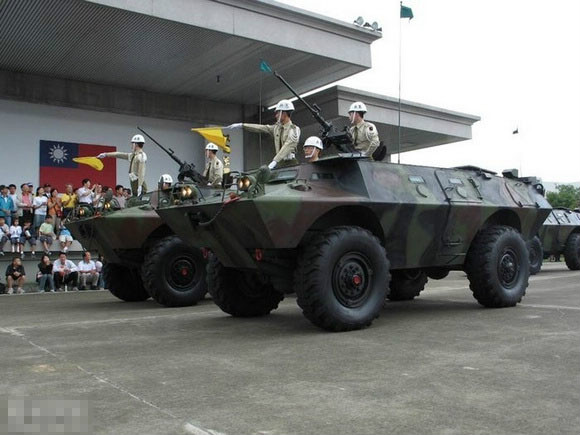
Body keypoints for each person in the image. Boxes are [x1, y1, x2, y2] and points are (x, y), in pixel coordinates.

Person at [227, 99, 300, 169]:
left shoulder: (294, 129)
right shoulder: (276, 128)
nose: (276, 116)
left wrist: (275, 161)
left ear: (284, 114)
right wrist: (242, 125)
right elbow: (261, 128)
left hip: (290, 163)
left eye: (278, 113)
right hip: (279, 163)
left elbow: (288, 145)